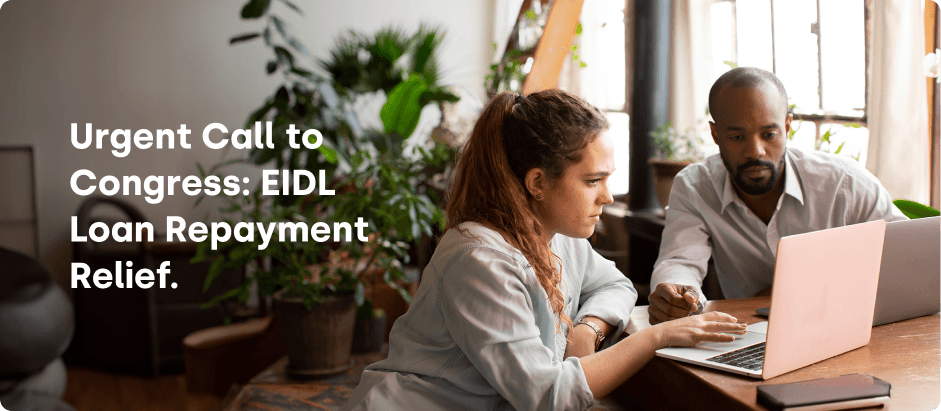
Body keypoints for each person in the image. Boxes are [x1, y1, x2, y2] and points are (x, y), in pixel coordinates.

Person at [341, 89, 746, 410]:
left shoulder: (557, 235)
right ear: (537, 182)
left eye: (609, 179)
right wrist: (655, 337)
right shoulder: (479, 260)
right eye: (593, 181)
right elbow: (549, 398)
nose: (606, 197)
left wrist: (588, 329)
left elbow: (616, 285)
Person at [648, 67, 908, 325]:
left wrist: (789, 294)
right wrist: (679, 294)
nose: (756, 151)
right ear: (716, 135)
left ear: (787, 126)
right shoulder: (695, 186)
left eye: (769, 134)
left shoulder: (845, 183)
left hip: (843, 324)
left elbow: (905, 257)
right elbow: (680, 261)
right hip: (747, 333)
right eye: (737, 136)